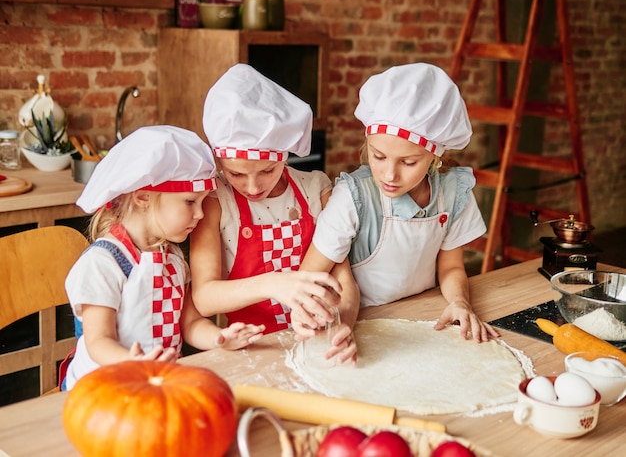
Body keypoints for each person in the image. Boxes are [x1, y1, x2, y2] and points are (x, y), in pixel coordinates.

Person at [301, 62, 499, 344]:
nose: (390, 174)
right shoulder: (353, 197)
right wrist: (336, 323)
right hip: (360, 324)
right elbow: (310, 277)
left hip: (423, 318)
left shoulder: (453, 192)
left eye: (408, 162)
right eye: (378, 156)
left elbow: (451, 267)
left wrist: (460, 302)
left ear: (436, 156)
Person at [63, 125, 265, 390]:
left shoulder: (173, 260)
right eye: (190, 202)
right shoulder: (102, 264)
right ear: (144, 197)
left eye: (203, 203)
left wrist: (220, 338)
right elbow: (99, 341)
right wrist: (133, 362)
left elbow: (190, 323)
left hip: (157, 383)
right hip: (103, 389)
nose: (201, 214)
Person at [190, 64, 358, 364]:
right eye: (236, 174)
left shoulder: (315, 190)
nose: (253, 187)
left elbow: (343, 279)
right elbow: (204, 298)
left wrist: (342, 322)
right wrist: (275, 283)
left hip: (316, 343)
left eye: (267, 170)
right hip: (250, 350)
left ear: (285, 155)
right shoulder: (217, 200)